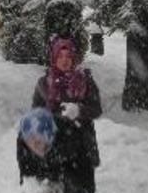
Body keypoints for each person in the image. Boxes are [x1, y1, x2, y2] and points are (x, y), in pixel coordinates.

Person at [34, 37, 102, 169]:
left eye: (68, 56)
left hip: (82, 147)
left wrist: (79, 110)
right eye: (60, 56)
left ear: (74, 58)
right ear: (54, 58)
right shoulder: (44, 83)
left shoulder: (85, 81)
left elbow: (96, 109)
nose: (64, 60)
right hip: (53, 148)